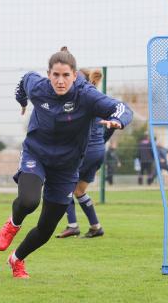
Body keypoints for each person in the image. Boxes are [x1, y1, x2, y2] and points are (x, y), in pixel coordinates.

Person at [0, 47, 133, 278]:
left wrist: (118, 120)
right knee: (29, 201)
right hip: (36, 154)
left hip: (67, 166)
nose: (60, 81)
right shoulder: (37, 86)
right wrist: (22, 102)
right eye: (55, 75)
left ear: (75, 74)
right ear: (48, 74)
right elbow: (23, 82)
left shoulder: (86, 95)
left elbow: (121, 108)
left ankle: (16, 259)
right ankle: (13, 223)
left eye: (66, 75)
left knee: (46, 228)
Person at [55, 68, 115, 239]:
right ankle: (96, 226)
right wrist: (102, 141)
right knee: (79, 190)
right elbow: (111, 122)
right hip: (98, 151)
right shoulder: (96, 99)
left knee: (62, 185)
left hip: (85, 151)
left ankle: (72, 225)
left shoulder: (80, 100)